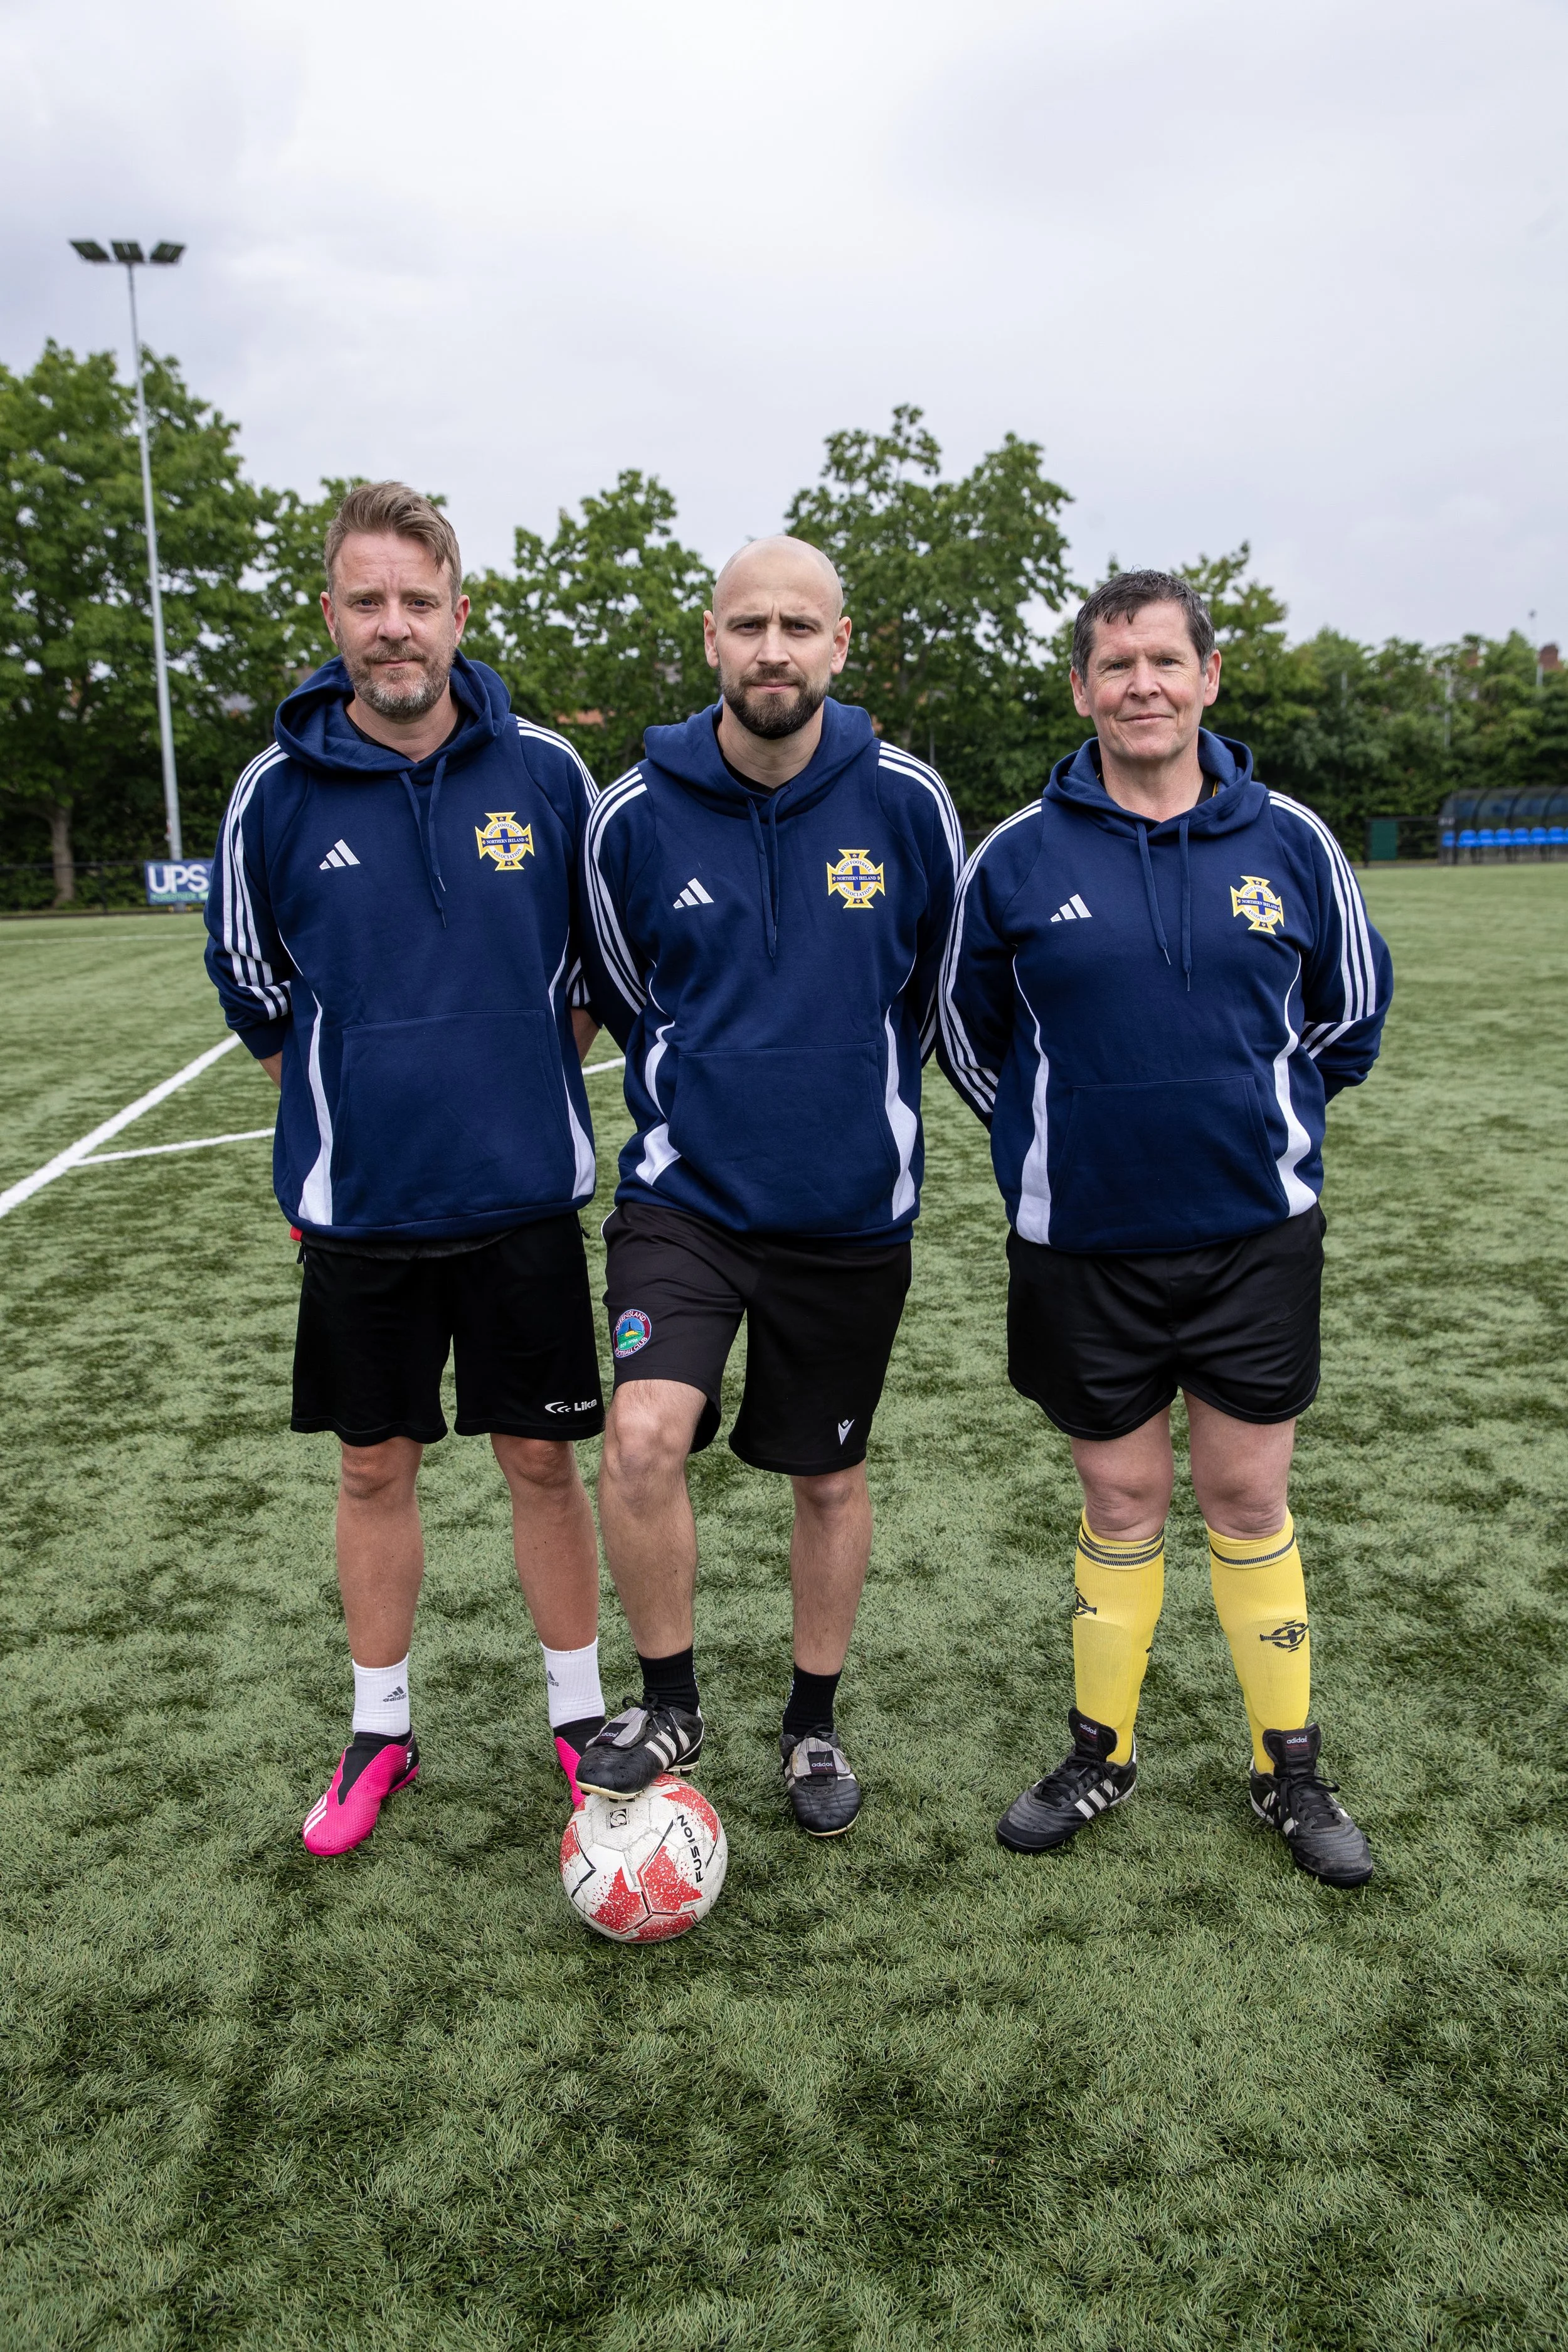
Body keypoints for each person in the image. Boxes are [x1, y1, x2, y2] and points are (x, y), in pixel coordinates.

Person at [939, 569, 1391, 1886]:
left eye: (1164, 661)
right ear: (1083, 689)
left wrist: (1253, 1118)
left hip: (1253, 1240)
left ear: (1206, 678)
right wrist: (1062, 1137)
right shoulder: (1015, 856)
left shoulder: (1290, 840)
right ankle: (1102, 1750)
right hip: (1082, 1243)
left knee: (1247, 1496)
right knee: (1122, 1497)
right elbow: (966, 1034)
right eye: (1115, 664)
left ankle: (1287, 1767)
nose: (1142, 684)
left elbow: (1349, 1014)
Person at [206, 480, 609, 1856]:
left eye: (418, 601)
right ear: (331, 614)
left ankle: (579, 1715)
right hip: (362, 1210)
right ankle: (380, 1729)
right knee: (374, 1469)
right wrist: (357, 1106)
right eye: (368, 601)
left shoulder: (546, 774)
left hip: (521, 1198)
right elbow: (252, 983)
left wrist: (508, 1079)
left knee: (543, 1463)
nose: (395, 626)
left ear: (458, 613)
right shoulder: (274, 790)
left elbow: (593, 968)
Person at [574, 535, 963, 1834]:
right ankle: (669, 1700)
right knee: (640, 1437)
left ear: (839, 645)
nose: (773, 650)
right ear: (711, 640)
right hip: (685, 1199)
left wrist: (840, 1097)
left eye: (799, 626)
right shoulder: (631, 814)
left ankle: (811, 1723)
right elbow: (628, 991)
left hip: (849, 1210)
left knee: (827, 1477)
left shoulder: (907, 801)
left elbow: (929, 988)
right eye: (749, 625)